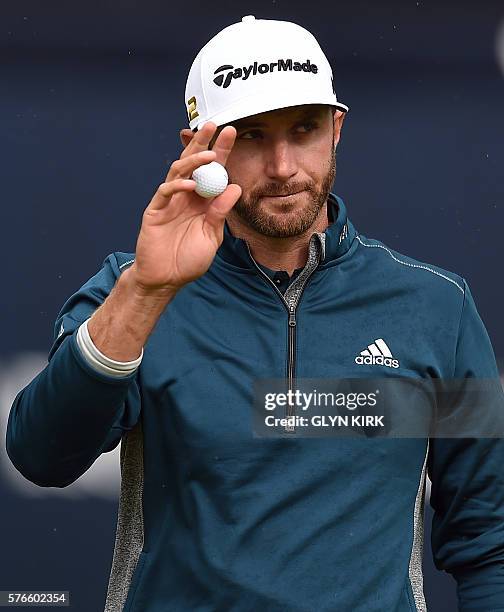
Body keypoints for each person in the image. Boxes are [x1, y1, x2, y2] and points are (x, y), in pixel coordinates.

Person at [6, 15, 504, 612]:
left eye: (304, 128)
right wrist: (146, 293)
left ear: (337, 130)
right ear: (199, 147)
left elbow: (489, 537)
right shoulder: (130, 287)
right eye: (252, 136)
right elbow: (41, 458)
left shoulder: (436, 307)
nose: (284, 166)